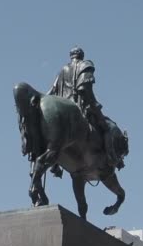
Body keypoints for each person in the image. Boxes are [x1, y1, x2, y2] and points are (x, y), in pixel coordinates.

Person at [47, 47, 119, 176]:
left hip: (63, 111)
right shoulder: (85, 65)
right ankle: (111, 158)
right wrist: (95, 105)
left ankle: (55, 165)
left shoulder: (62, 70)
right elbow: (85, 88)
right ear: (82, 55)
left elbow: (52, 91)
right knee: (107, 127)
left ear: (71, 56)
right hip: (80, 107)